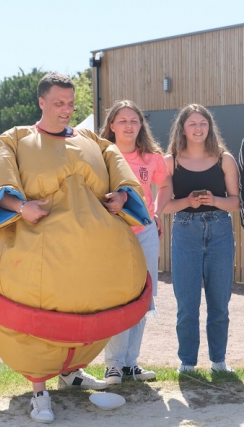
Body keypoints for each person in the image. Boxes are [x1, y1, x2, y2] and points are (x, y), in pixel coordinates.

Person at [0, 72, 153, 424]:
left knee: (88, 306)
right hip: (36, 256)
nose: (65, 110)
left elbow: (123, 177)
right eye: (59, 103)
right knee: (38, 313)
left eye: (70, 104)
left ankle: (71, 372)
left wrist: (123, 195)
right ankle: (39, 391)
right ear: (42, 102)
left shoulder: (94, 141)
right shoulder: (15, 140)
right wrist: (21, 207)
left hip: (91, 259)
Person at [99, 100, 173, 384]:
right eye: (123, 120)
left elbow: (165, 185)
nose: (129, 125)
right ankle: (113, 365)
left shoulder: (151, 157)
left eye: (135, 120)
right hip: (114, 234)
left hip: (144, 233)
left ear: (141, 125)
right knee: (119, 296)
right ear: (112, 126)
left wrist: (155, 212)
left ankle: (130, 364)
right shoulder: (103, 155)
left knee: (144, 296)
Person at [163, 104, 240, 373]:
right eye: (192, 123)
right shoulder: (169, 161)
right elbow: (162, 206)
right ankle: (187, 363)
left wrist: (215, 200)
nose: (198, 128)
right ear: (182, 128)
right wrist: (186, 201)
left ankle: (218, 362)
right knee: (187, 305)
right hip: (185, 231)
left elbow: (235, 202)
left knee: (220, 303)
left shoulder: (224, 159)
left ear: (210, 127)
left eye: (203, 123)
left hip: (219, 230)